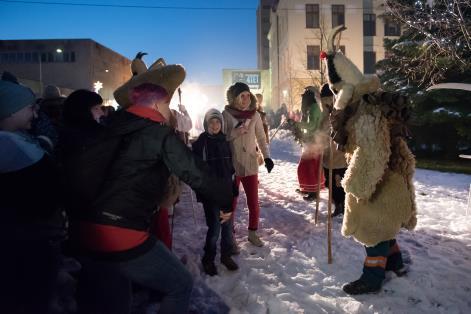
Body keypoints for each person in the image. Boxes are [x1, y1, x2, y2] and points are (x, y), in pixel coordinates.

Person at [73, 56, 233, 313]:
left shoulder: (111, 125)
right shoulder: (157, 133)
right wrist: (226, 198)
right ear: (158, 103)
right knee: (180, 284)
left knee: (115, 297)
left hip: (85, 228)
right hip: (121, 231)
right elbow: (196, 173)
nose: (169, 112)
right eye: (168, 105)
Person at [322, 25, 417, 295]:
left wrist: (354, 185)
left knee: (372, 230)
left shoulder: (364, 113)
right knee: (385, 228)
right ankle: (396, 264)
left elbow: (373, 151)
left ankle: (372, 279)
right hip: (388, 180)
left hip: (378, 181)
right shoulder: (366, 104)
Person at [0, 79, 71, 313]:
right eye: (31, 107)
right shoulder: (12, 149)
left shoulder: (20, 141)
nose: (37, 112)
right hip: (27, 246)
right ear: (11, 111)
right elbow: (47, 192)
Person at [222, 82, 274, 248]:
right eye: (241, 96)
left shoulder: (255, 115)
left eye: (247, 95)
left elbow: (261, 137)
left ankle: (252, 233)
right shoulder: (226, 114)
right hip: (233, 164)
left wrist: (267, 157)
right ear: (235, 97)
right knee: (232, 202)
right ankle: (230, 234)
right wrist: (236, 132)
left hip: (250, 163)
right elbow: (221, 137)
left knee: (253, 202)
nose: (245, 99)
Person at [192, 108, 238, 276]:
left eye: (217, 121)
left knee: (226, 227)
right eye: (211, 121)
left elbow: (230, 167)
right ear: (206, 124)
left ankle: (225, 255)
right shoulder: (201, 143)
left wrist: (233, 187)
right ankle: (208, 258)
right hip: (211, 193)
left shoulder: (225, 140)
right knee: (215, 228)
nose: (215, 124)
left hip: (225, 192)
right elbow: (195, 170)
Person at [318, 84, 347, 217]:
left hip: (340, 154)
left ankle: (342, 205)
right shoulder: (324, 111)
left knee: (340, 182)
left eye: (328, 98)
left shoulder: (340, 109)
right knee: (329, 183)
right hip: (328, 155)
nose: (326, 102)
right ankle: (339, 204)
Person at [291, 87, 325, 201]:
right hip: (312, 140)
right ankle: (307, 188)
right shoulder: (311, 108)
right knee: (307, 167)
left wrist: (298, 124)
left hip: (315, 141)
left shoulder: (314, 108)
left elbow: (312, 126)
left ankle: (313, 191)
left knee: (308, 167)